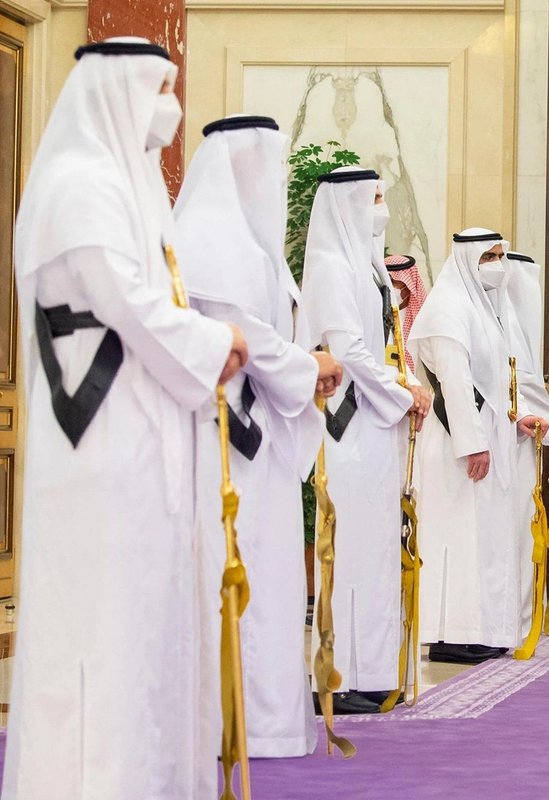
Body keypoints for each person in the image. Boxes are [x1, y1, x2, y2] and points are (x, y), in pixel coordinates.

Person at [3, 38, 248, 798]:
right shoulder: (79, 185)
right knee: (100, 631)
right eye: (160, 88)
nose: (171, 108)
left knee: (142, 625)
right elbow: (130, 308)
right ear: (116, 92)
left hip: (141, 444)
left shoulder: (128, 182)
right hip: (99, 449)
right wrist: (218, 343)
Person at [174, 114, 341, 754]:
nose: (272, 176)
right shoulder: (208, 238)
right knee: (236, 578)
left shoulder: (256, 247)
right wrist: (310, 367)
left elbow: (278, 339)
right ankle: (233, 723)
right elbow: (249, 339)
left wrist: (310, 371)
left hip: (263, 436)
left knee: (269, 583)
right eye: (264, 162)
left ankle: (268, 721)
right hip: (224, 441)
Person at [301, 167, 430, 713]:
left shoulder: (371, 266)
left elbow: (384, 348)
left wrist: (407, 387)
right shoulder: (330, 265)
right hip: (348, 426)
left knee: (376, 550)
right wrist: (404, 392)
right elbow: (348, 351)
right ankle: (338, 676)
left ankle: (375, 672)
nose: (381, 207)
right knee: (347, 551)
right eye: (373, 198)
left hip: (379, 428)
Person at [409, 230, 549, 664]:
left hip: (488, 441)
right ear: (467, 259)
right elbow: (453, 384)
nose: (495, 265)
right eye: (487, 257)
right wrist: (473, 445)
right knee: (458, 538)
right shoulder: (447, 309)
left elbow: (500, 381)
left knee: (484, 539)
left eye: (499, 256)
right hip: (458, 446)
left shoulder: (489, 311)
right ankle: (451, 634)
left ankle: (481, 629)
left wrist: (518, 416)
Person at [504, 250, 549, 637]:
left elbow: (525, 381)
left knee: (522, 533)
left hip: (519, 445)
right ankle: (512, 620)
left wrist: (547, 406)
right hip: (492, 447)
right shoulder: (497, 321)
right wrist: (544, 406)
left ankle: (522, 618)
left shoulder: (512, 325)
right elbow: (514, 381)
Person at [384, 253, 426, 375]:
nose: (389, 288)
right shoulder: (379, 315)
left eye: (393, 282)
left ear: (409, 284)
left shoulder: (423, 319)